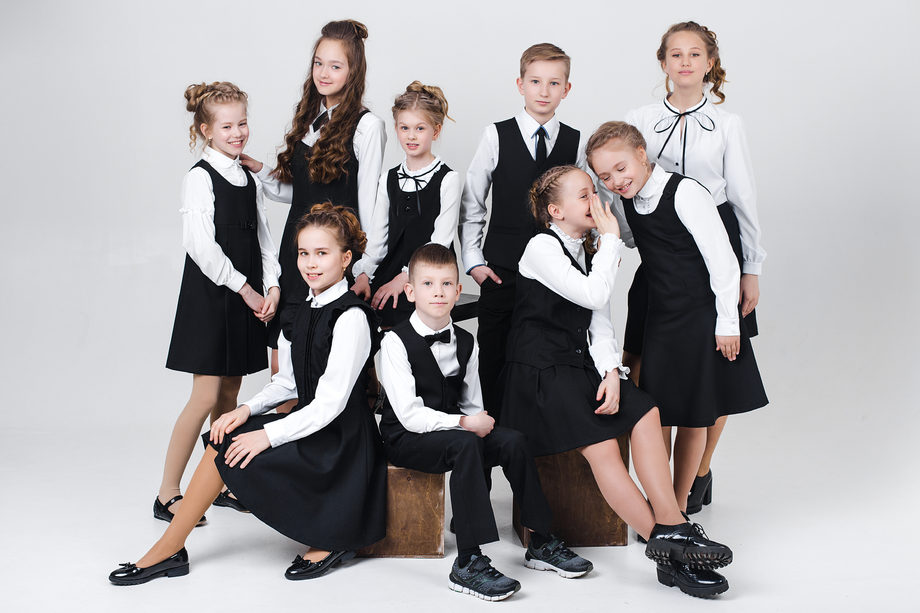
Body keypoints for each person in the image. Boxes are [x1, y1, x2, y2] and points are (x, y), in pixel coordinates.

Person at [110, 203, 386, 585]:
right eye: (303, 253)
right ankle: (171, 547)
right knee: (225, 433)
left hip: (342, 442)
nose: (310, 263)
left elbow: (330, 404)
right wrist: (245, 410)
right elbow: (288, 383)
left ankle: (332, 536)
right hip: (311, 424)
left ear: (345, 258)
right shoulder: (303, 310)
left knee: (245, 441)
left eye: (322, 253)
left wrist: (266, 435)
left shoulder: (353, 317)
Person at [502, 164, 735, 598]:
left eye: (595, 192)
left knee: (646, 410)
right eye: (585, 195)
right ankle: (670, 553)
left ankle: (673, 526)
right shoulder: (541, 247)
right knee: (604, 447)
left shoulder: (589, 251)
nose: (598, 201)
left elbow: (600, 322)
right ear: (555, 211)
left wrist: (611, 372)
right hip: (539, 375)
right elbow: (592, 294)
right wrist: (611, 240)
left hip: (580, 367)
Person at [377, 244, 593, 601]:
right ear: (411, 292)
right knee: (465, 443)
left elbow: (473, 403)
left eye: (446, 284)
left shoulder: (466, 341)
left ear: (458, 291)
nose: (438, 292)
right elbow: (410, 416)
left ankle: (541, 540)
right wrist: (465, 423)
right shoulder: (395, 342)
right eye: (428, 284)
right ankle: (468, 562)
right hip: (406, 437)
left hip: (454, 431)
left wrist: (475, 421)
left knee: (513, 441)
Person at [587, 122, 767, 519]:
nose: (615, 180)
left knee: (694, 412)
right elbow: (633, 238)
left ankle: (681, 503)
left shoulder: (684, 192)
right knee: (660, 411)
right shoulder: (627, 199)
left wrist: (727, 323)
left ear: (641, 154)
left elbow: (723, 261)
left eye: (621, 168)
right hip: (661, 315)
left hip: (699, 314)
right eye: (605, 176)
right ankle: (662, 501)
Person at [623, 21, 766, 512]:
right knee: (646, 365)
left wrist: (751, 268)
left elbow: (743, 198)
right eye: (675, 54)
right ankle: (661, 489)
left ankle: (699, 472)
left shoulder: (728, 124)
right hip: (662, 248)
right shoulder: (639, 119)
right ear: (663, 62)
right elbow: (618, 178)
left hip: (717, 245)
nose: (685, 62)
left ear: (709, 63)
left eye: (695, 54)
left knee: (717, 368)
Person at [158, 81, 280, 523]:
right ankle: (168, 492)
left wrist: (272, 286)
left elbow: (264, 238)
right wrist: (246, 289)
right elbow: (201, 247)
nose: (238, 132)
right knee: (205, 395)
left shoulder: (248, 176)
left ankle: (222, 482)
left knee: (230, 393)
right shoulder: (199, 177)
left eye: (242, 123)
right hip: (213, 297)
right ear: (206, 130)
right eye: (227, 126)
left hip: (248, 297)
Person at [241, 19, 385, 362]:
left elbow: (369, 205)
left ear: (353, 71)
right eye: (318, 63)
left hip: (335, 254)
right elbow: (302, 194)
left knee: (334, 358)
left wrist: (365, 268)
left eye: (335, 66)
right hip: (297, 251)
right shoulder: (309, 117)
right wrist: (261, 171)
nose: (323, 73)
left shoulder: (367, 126)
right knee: (282, 358)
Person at [459, 42, 583, 422]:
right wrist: (474, 260)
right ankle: (490, 438)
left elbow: (582, 206)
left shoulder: (575, 142)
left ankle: (537, 442)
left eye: (554, 83)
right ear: (520, 84)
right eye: (535, 81)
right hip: (501, 270)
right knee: (494, 356)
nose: (544, 91)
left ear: (566, 89)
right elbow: (472, 202)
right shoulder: (496, 135)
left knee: (545, 357)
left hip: (555, 275)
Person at [363, 82, 461, 328]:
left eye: (420, 128)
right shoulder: (388, 178)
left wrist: (406, 277)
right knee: (362, 311)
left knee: (407, 318)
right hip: (390, 268)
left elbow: (440, 241)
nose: (411, 136)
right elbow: (377, 239)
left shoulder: (448, 179)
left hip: (430, 275)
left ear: (435, 131)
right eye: (404, 127)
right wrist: (364, 274)